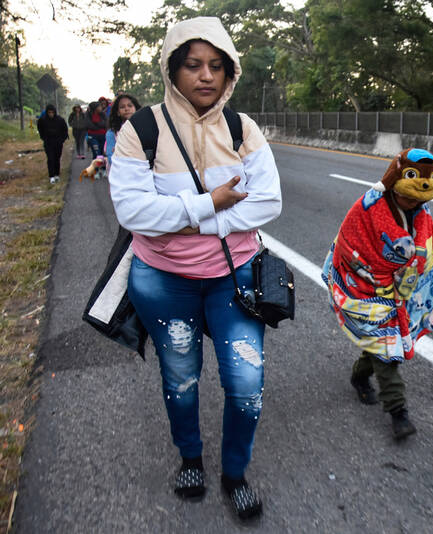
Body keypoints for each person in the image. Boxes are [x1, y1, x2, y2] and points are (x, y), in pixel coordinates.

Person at [108, 16, 282, 519]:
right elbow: (134, 212)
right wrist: (211, 203)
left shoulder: (242, 129)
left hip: (235, 276)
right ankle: (190, 459)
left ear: (229, 72)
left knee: (246, 385)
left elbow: (268, 201)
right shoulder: (140, 130)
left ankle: (235, 474)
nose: (206, 75)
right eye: (192, 65)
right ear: (172, 69)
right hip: (163, 281)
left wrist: (187, 221)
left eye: (216, 65)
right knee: (181, 378)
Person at [322, 148, 433, 439]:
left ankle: (359, 376)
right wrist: (383, 275)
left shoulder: (420, 210)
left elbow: (427, 251)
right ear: (394, 183)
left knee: (381, 343)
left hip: (402, 290)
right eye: (409, 198)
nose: (414, 203)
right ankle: (398, 412)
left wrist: (410, 272)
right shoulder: (368, 208)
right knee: (387, 352)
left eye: (420, 200)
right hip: (366, 287)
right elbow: (350, 243)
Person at [105, 93, 141, 168]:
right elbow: (111, 158)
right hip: (120, 171)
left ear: (136, 109)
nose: (126, 109)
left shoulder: (145, 128)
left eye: (130, 106)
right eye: (122, 107)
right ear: (118, 112)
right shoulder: (112, 133)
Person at [36, 104, 69, 184]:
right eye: (49, 112)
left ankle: (57, 174)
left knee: (57, 158)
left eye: (52, 112)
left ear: (54, 112)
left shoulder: (60, 120)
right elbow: (40, 129)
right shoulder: (42, 120)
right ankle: (51, 176)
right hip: (48, 143)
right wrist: (43, 138)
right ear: (47, 112)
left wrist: (62, 139)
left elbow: (65, 130)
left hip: (58, 142)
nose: (51, 114)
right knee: (50, 159)